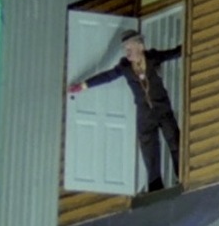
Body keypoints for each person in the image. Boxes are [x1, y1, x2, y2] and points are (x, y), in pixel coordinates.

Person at [68, 29, 183, 193]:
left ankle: (182, 176)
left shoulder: (153, 58)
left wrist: (189, 47)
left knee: (175, 141)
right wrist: (83, 86)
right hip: (144, 115)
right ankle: (155, 188)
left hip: (162, 109)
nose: (127, 52)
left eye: (129, 48)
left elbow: (174, 53)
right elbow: (107, 76)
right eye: (125, 49)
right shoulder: (125, 67)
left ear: (140, 47)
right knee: (149, 150)